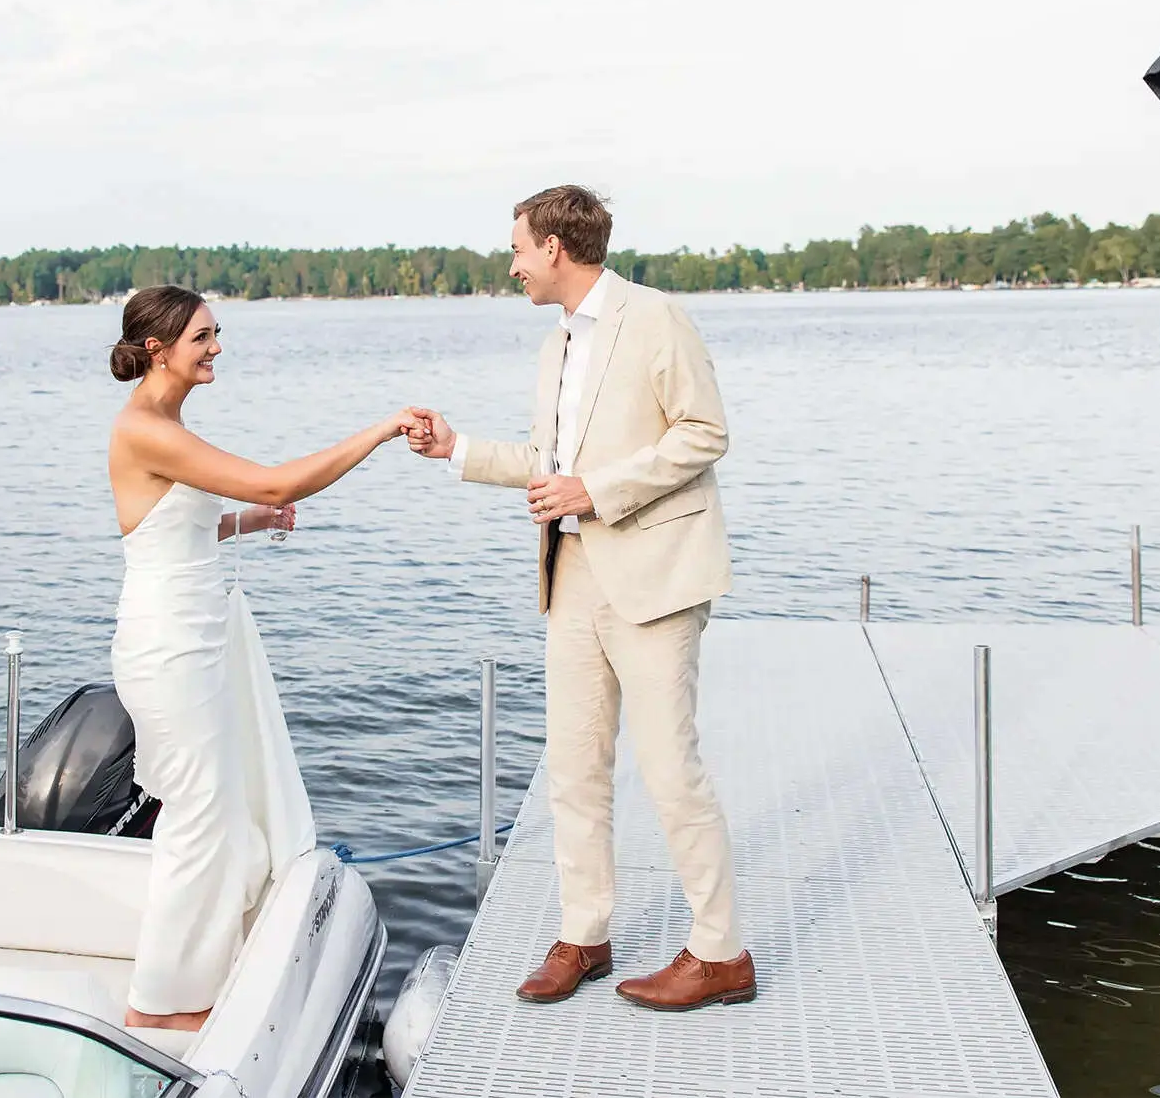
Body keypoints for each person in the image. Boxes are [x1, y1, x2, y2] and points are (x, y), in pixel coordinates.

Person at [407, 186, 754, 1012]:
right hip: (570, 579)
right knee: (573, 768)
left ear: (557, 248)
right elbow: (545, 457)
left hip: (655, 575)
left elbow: (705, 433)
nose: (514, 263)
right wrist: (455, 449)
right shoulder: (556, 343)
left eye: (520, 248)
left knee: (671, 771)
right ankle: (584, 933)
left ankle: (721, 953)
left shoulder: (655, 317)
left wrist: (595, 490)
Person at [106, 284, 416, 1031]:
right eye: (203, 337)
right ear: (158, 349)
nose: (216, 347)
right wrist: (378, 432)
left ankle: (196, 976)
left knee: (219, 809)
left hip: (200, 636)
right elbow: (278, 474)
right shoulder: (146, 427)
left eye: (217, 333)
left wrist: (248, 520)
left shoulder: (167, 424)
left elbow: (170, 531)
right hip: (169, 646)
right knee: (199, 817)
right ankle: (160, 1004)